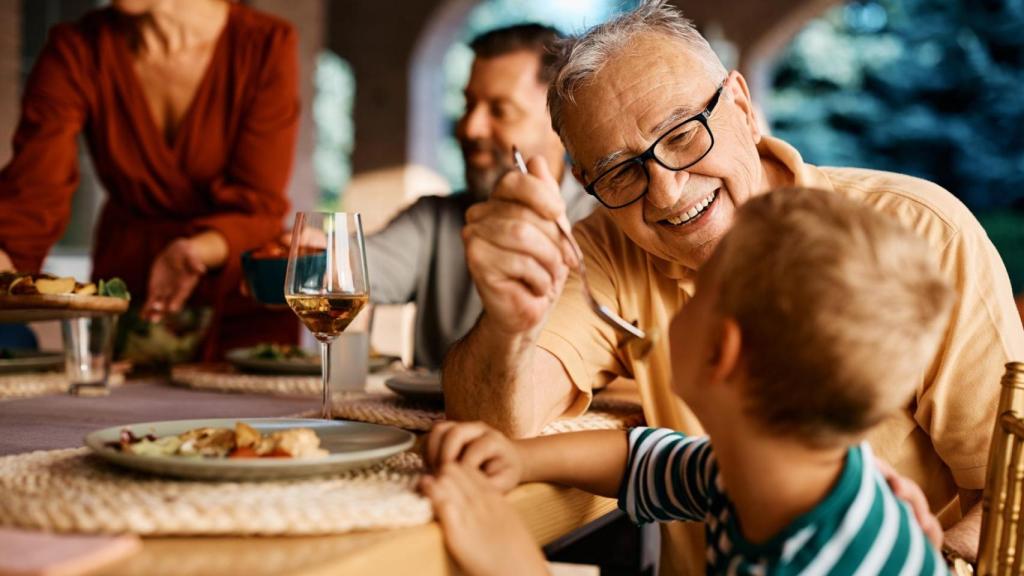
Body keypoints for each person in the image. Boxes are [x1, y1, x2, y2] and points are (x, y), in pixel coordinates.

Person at [442, 0, 1024, 570]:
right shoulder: (741, 473)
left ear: (742, 105)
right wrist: (507, 328)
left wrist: (932, 562)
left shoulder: (921, 233)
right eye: (620, 170)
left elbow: (1015, 494)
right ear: (584, 179)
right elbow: (647, 460)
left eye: (682, 135)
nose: (666, 192)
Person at [423, 188, 954, 576]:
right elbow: (649, 461)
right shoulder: (768, 470)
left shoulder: (818, 562)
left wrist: (518, 567)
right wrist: (520, 457)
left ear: (721, 352)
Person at [0, 0, 299, 359]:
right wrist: (7, 266)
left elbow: (259, 204)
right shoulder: (77, 48)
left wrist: (192, 251)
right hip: (127, 301)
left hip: (240, 294)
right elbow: (33, 193)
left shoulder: (265, 44)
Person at [364, 24, 598, 369]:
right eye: (468, 104)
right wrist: (309, 257)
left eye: (500, 111)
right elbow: (354, 272)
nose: (470, 127)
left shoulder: (605, 228)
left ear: (562, 124)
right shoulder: (431, 219)